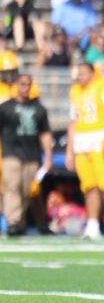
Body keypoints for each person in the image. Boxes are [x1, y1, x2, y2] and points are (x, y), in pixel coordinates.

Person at [67, 60, 104, 239]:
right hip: (81, 143)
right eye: (79, 72)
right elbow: (73, 122)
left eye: (84, 72)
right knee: (89, 186)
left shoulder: (103, 86)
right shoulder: (75, 91)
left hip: (101, 139)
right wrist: (70, 149)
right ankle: (92, 225)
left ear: (93, 73)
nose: (80, 76)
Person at [0, 75, 52, 236]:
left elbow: (45, 134)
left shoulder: (39, 108)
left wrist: (48, 157)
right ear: (16, 85)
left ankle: (23, 223)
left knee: (28, 191)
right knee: (12, 187)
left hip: (32, 155)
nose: (25, 87)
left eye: (28, 84)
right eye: (22, 84)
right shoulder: (5, 108)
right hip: (11, 153)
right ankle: (13, 221)